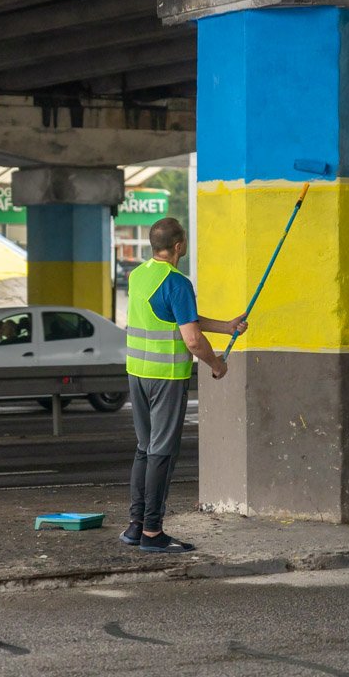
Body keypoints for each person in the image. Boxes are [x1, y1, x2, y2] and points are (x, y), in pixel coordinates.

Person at [122, 217, 247, 554]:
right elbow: (192, 339)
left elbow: (177, 316)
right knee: (161, 453)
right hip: (166, 378)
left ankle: (135, 526)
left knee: (144, 448)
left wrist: (226, 325)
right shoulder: (177, 281)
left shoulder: (139, 275)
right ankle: (152, 531)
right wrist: (217, 364)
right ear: (179, 246)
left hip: (137, 374)